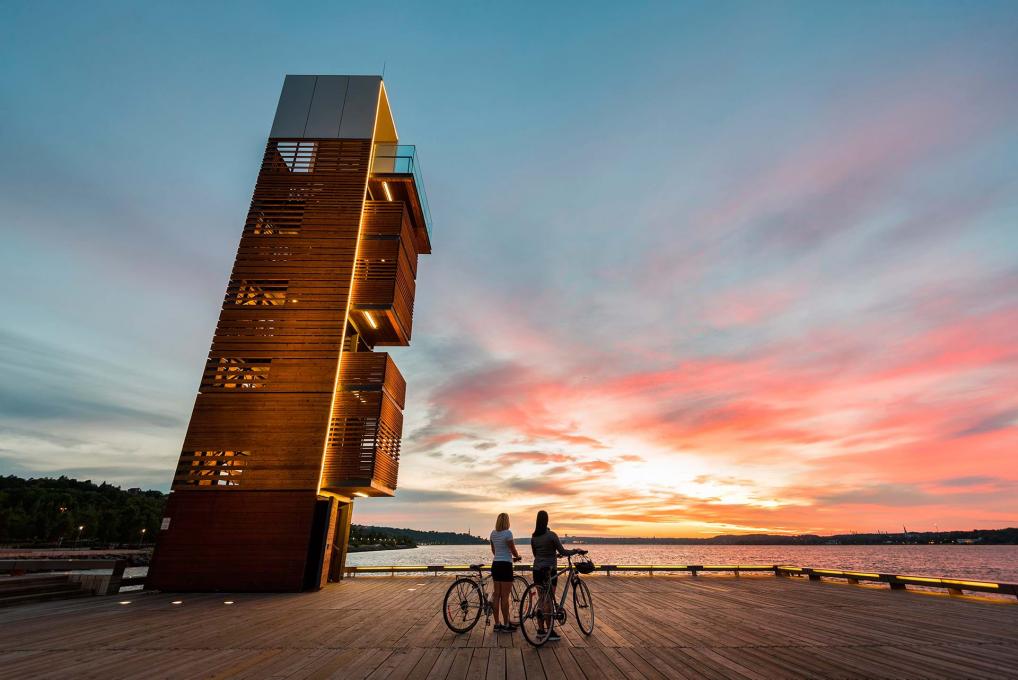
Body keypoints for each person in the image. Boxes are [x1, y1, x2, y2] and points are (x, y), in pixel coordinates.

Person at [530, 510, 585, 641]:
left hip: (537, 570)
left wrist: (552, 555)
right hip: (549, 570)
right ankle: (549, 632)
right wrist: (575, 550)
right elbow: (563, 551)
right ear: (547, 521)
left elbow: (537, 555)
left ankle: (540, 630)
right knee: (548, 600)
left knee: (541, 599)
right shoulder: (551, 535)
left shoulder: (534, 537)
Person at [489, 512, 521, 633]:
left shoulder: (493, 533)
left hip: (496, 564)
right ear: (507, 521)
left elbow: (493, 550)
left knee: (497, 595)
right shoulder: (508, 533)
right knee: (505, 597)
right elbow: (512, 549)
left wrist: (499, 556)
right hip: (506, 565)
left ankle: (497, 624)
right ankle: (507, 624)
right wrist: (517, 557)